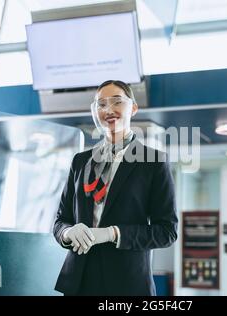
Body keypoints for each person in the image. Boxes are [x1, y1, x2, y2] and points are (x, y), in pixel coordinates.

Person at [53, 80, 178, 296]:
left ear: (134, 108)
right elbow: (60, 220)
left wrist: (113, 233)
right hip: (79, 282)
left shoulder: (153, 162)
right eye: (101, 104)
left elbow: (167, 231)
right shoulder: (80, 162)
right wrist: (67, 232)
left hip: (127, 285)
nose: (108, 110)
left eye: (117, 102)